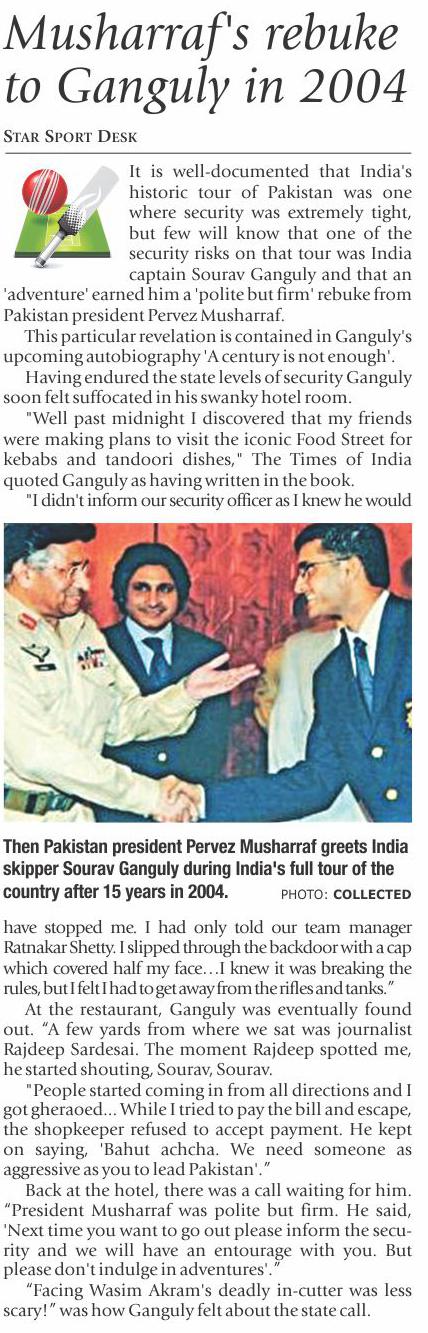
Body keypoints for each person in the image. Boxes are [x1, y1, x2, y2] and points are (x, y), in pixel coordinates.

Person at [3, 524, 257, 823]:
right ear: (25, 573)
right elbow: (39, 753)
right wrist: (150, 797)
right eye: (70, 571)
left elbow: (121, 719)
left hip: (78, 816)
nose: (84, 583)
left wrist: (185, 694)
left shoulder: (82, 629)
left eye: (84, 569)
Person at [182, 524, 412, 822]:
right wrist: (203, 799)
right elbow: (316, 782)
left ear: (350, 568)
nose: (299, 587)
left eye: (308, 570)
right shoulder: (332, 674)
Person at [95, 542, 230, 822]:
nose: (153, 600)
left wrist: (179, 796)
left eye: (165, 589)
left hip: (186, 805)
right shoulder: (97, 648)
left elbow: (213, 741)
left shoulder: (208, 653)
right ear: (122, 593)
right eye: (141, 588)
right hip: (117, 807)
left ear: (180, 595)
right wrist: (147, 794)